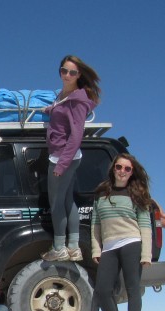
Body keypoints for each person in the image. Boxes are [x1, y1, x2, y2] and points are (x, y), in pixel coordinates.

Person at [41, 55, 102, 262]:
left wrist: (62, 163)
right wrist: (49, 109)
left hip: (62, 157)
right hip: (64, 156)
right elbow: (61, 110)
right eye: (63, 71)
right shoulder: (65, 95)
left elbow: (76, 135)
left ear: (79, 75)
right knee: (67, 201)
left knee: (56, 203)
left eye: (72, 72)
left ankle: (59, 248)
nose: (67, 75)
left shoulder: (79, 99)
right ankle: (74, 247)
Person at [90, 154, 153, 311]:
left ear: (132, 172)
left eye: (127, 169)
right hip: (109, 246)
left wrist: (146, 253)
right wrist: (96, 249)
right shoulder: (101, 193)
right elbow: (96, 223)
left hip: (131, 242)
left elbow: (145, 225)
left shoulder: (137, 194)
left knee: (133, 288)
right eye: (119, 167)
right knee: (102, 289)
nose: (122, 172)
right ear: (113, 169)